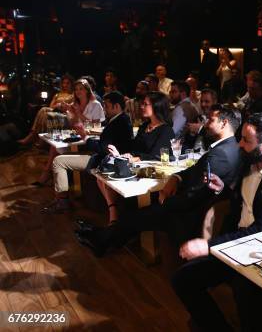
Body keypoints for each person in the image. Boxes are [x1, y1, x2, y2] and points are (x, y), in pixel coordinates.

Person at [171, 112, 262, 331]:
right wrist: (224, 188)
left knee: (245, 290)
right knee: (183, 279)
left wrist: (208, 246)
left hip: (260, 252)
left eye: (246, 141)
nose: (239, 144)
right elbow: (243, 202)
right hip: (234, 245)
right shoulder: (249, 160)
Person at [74, 105, 242, 255]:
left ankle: (100, 239)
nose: (205, 123)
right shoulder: (227, 147)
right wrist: (176, 177)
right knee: (137, 215)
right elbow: (193, 171)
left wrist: (166, 201)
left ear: (224, 123)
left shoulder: (221, 155)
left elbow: (194, 196)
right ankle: (102, 237)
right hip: (188, 204)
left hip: (189, 216)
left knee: (136, 215)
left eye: (210, 119)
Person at [42, 91, 133, 214]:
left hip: (104, 161)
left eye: (106, 105)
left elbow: (102, 149)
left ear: (116, 106)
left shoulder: (118, 122)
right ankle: (62, 198)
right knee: (63, 157)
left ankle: (62, 201)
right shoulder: (121, 119)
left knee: (58, 161)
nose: (104, 108)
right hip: (105, 157)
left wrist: (85, 137)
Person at [96, 91, 174, 224]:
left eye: (145, 104)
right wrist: (121, 154)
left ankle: (120, 218)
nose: (141, 106)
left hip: (153, 171)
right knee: (102, 176)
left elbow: (157, 156)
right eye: (142, 104)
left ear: (156, 106)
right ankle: (113, 211)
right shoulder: (145, 126)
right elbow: (134, 148)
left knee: (110, 177)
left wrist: (134, 158)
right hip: (136, 167)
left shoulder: (166, 130)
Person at [32, 79, 105, 186]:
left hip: (90, 139)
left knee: (56, 149)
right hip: (77, 137)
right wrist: (70, 112)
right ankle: (57, 177)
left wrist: (79, 113)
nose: (78, 91)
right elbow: (72, 125)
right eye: (76, 89)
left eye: (81, 89)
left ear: (87, 90)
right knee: (55, 146)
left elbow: (97, 126)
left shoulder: (95, 104)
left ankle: (50, 175)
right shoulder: (75, 104)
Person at [18, 73, 74, 146]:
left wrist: (61, 106)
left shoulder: (73, 95)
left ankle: (32, 136)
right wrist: (57, 106)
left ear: (71, 84)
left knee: (44, 110)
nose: (65, 85)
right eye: (63, 83)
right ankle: (39, 138)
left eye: (67, 83)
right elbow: (51, 106)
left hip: (64, 114)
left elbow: (71, 108)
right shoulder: (57, 94)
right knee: (45, 113)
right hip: (54, 112)